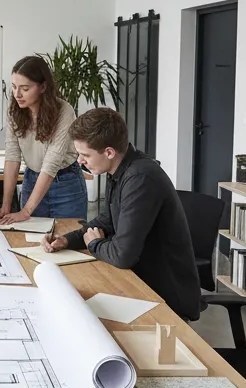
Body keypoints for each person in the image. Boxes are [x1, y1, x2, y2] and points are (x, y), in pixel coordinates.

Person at [43, 108, 201, 321]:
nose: (80, 161)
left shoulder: (140, 178)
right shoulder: (119, 169)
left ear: (109, 152)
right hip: (140, 281)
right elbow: (107, 220)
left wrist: (94, 244)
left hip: (164, 297)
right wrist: (67, 240)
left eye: (85, 155)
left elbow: (123, 255)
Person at [0, 55, 85, 223]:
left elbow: (51, 162)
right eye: (14, 87)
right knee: (31, 236)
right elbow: (12, 156)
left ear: (43, 87)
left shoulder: (64, 111)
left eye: (25, 89)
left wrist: (26, 211)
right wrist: (6, 206)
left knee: (68, 235)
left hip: (66, 183)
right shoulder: (15, 110)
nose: (17, 94)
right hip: (32, 179)